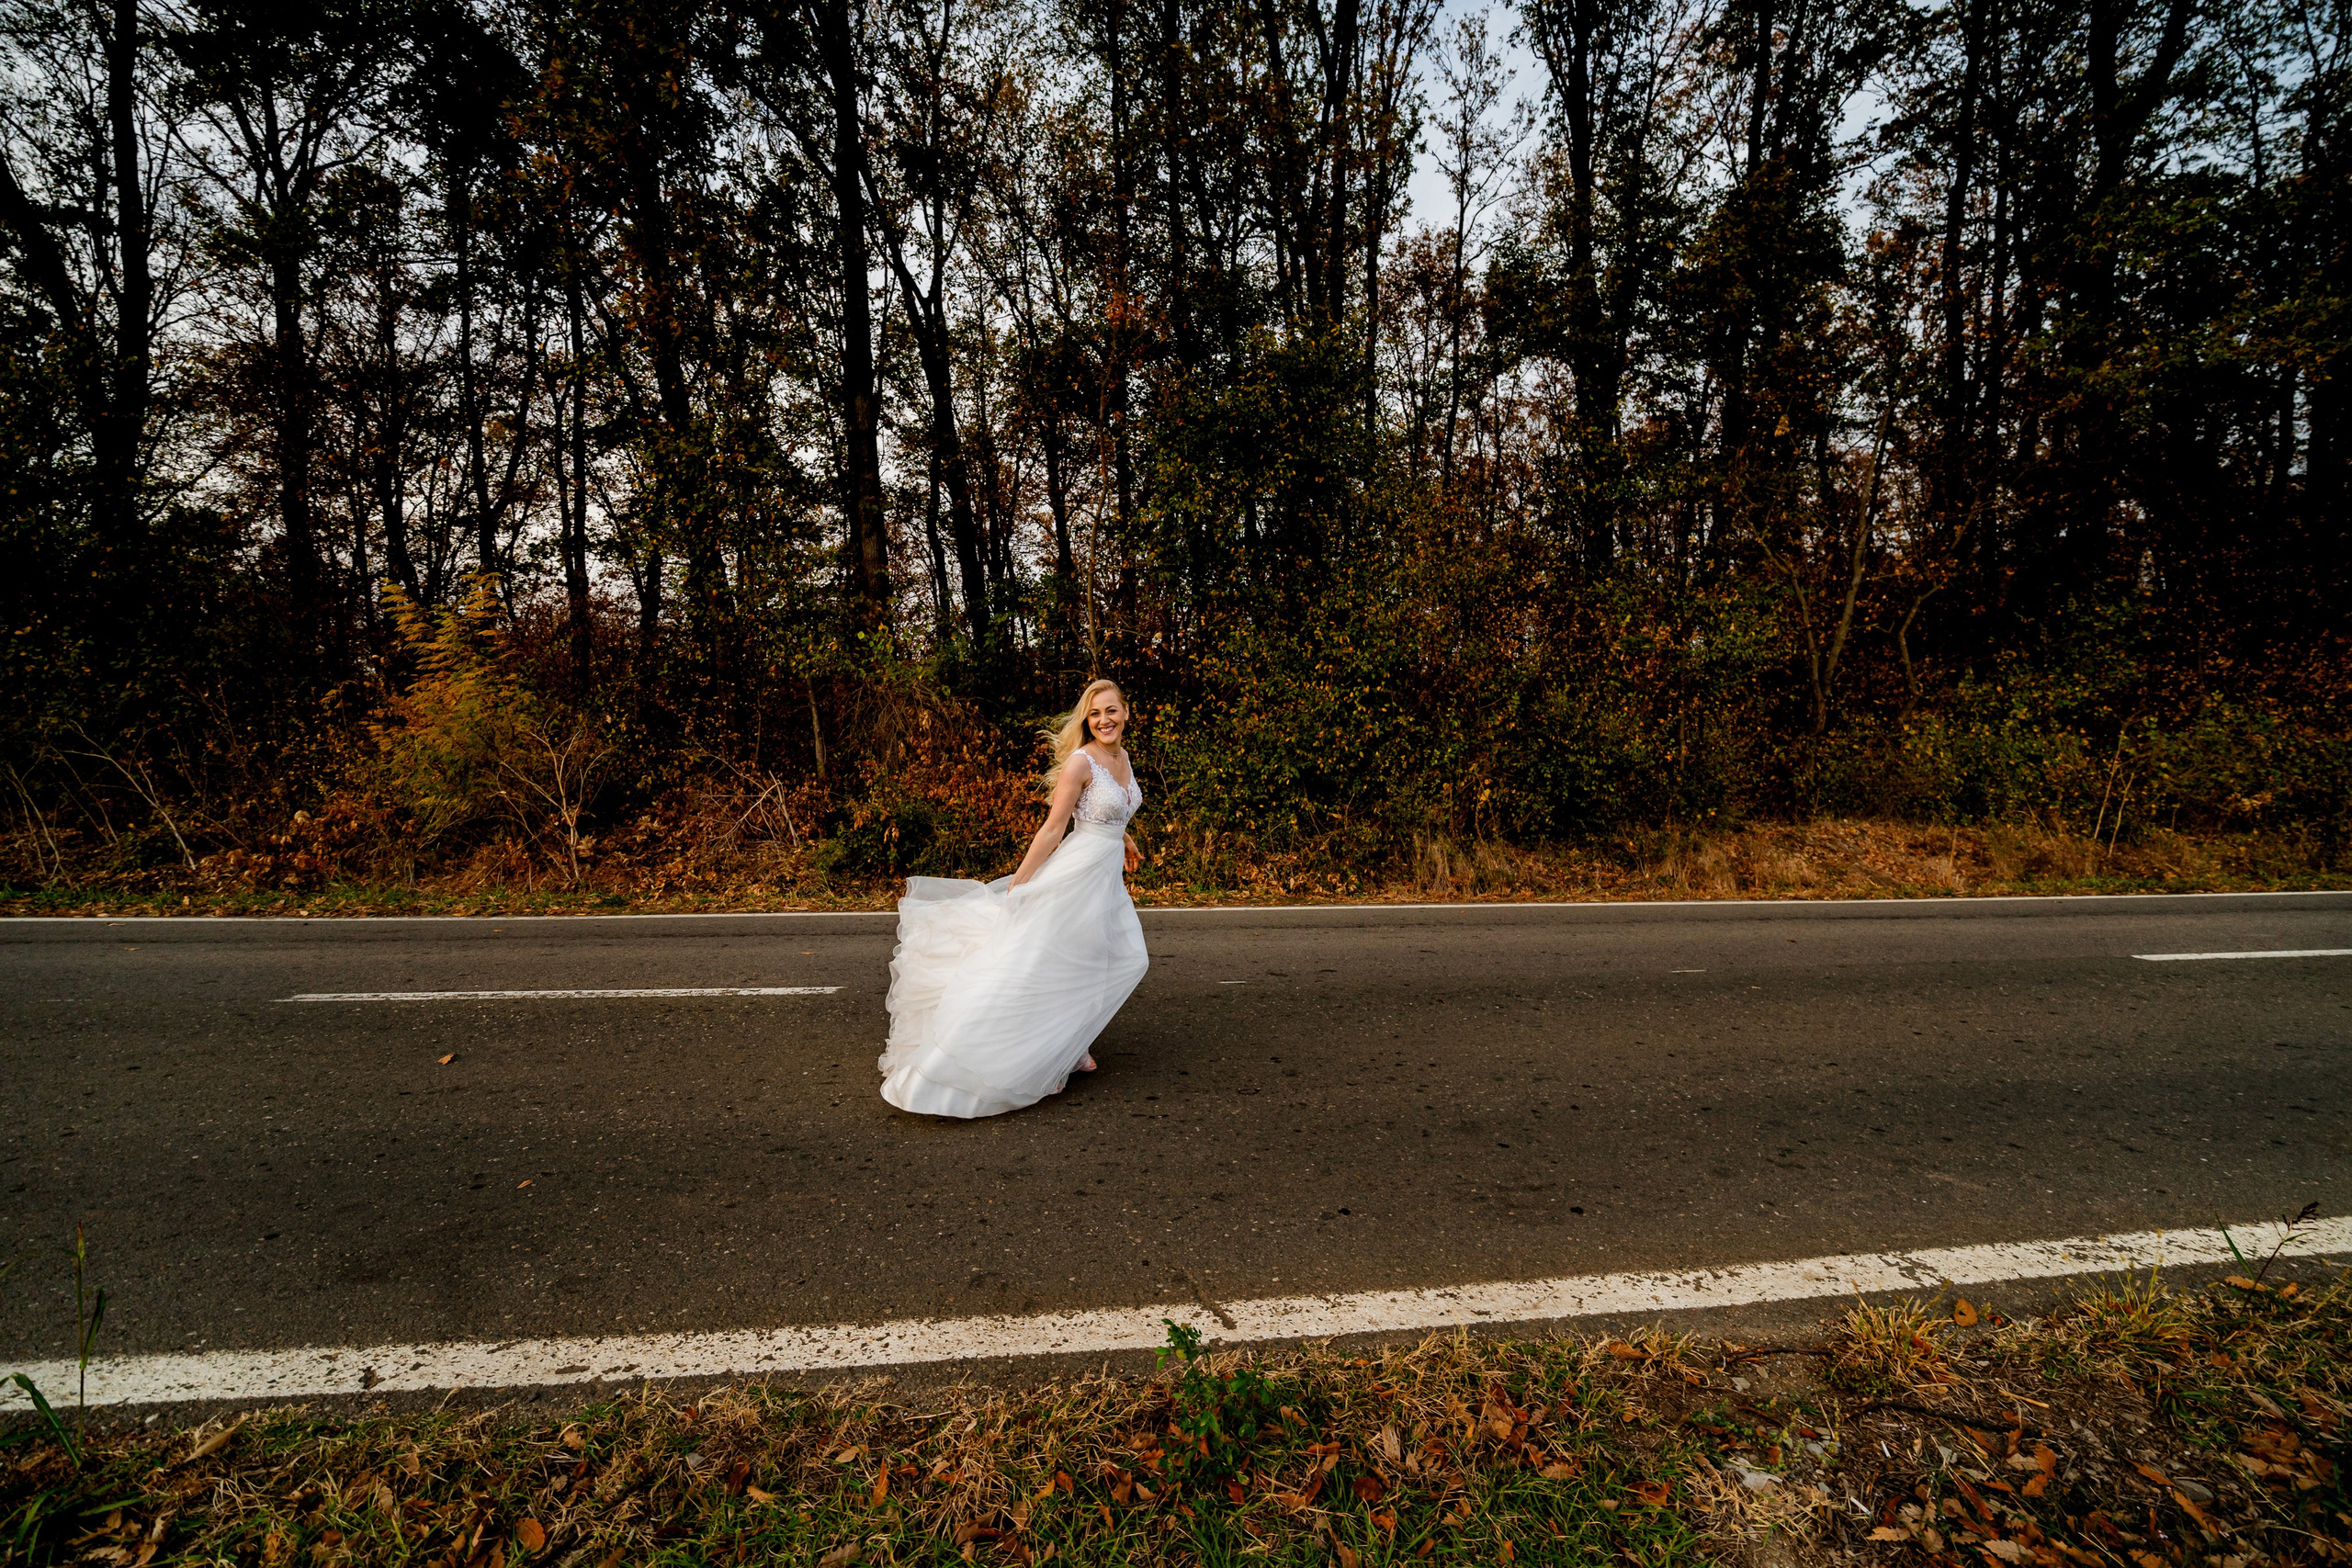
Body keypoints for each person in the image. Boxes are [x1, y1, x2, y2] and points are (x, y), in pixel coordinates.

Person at [877, 679, 1148, 1117]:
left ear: (1126, 712)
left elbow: (1112, 811)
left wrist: (1126, 839)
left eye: (1111, 711)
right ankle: (1015, 1056)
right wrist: (1022, 880)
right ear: (1087, 720)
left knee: (1096, 958)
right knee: (1039, 960)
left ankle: (1069, 1042)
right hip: (1076, 876)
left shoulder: (1124, 757)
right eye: (1095, 714)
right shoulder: (1080, 763)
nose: (1104, 720)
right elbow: (1054, 828)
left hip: (1103, 879)